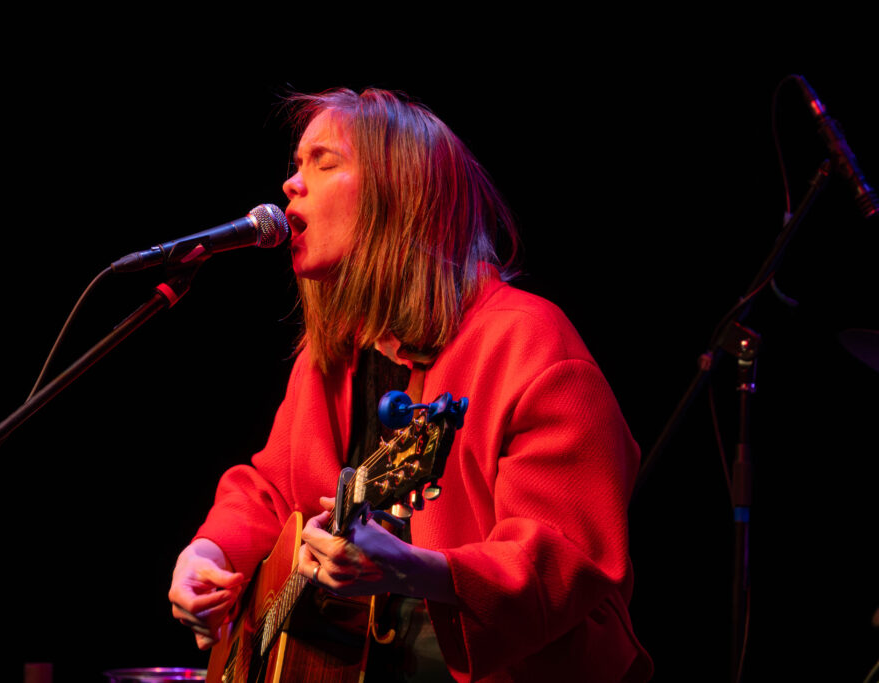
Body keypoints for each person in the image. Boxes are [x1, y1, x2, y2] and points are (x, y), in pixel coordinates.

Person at [168, 87, 653, 682]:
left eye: (325, 162)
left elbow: (568, 559)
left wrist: (416, 570)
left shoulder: (532, 344)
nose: (292, 184)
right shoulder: (335, 356)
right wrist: (210, 553)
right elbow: (271, 486)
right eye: (295, 166)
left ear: (400, 196)